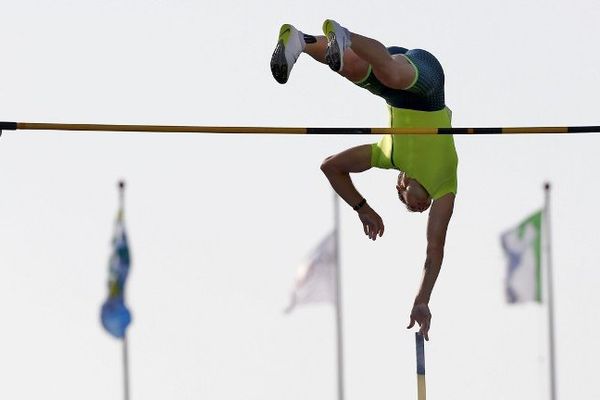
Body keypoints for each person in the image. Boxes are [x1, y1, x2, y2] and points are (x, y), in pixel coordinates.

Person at [271, 19, 457, 341]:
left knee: (355, 70)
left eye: (413, 208)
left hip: (394, 83)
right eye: (421, 208)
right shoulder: (444, 185)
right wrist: (422, 299)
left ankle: (300, 41)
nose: (422, 206)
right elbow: (434, 249)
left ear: (401, 185)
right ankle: (344, 36)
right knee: (392, 74)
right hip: (428, 86)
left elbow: (331, 167)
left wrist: (362, 207)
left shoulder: (388, 154)